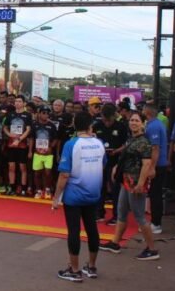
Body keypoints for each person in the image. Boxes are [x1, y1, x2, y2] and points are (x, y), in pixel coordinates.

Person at [52, 111, 106, 282]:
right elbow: (102, 164)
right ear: (90, 125)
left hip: (74, 196)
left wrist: (56, 197)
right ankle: (91, 266)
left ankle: (74, 270)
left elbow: (64, 175)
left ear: (75, 125)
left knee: (74, 231)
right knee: (92, 229)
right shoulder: (99, 144)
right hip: (93, 194)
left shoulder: (71, 144)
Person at [100, 112, 160, 260]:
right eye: (132, 120)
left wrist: (140, 184)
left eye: (137, 120)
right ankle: (115, 243)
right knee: (121, 212)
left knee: (140, 216)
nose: (133, 122)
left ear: (143, 124)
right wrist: (116, 169)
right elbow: (124, 156)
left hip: (135, 183)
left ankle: (152, 249)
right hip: (125, 181)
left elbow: (147, 164)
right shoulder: (132, 139)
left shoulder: (144, 142)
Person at [144, 103, 169, 233]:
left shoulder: (154, 126)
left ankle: (156, 223)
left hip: (158, 165)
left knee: (155, 194)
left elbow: (155, 148)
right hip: (159, 164)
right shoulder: (156, 124)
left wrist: (152, 167)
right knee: (154, 193)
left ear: (147, 111)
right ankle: (155, 221)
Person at [3, 96, 33, 196]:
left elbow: (28, 130)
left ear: (24, 103)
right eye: (16, 101)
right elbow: (5, 128)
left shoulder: (27, 115)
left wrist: (19, 139)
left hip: (22, 145)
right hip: (11, 144)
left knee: (22, 167)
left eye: (20, 101)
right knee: (11, 166)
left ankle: (24, 188)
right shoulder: (10, 114)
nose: (17, 103)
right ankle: (12, 187)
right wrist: (10, 135)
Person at [31, 105, 58, 199]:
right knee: (37, 173)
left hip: (48, 154)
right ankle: (38, 190)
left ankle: (47, 189)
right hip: (37, 153)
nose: (46, 115)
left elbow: (55, 139)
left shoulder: (52, 125)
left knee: (48, 173)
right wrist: (30, 151)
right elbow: (31, 139)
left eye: (47, 113)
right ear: (39, 114)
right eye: (43, 113)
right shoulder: (34, 125)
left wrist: (50, 147)